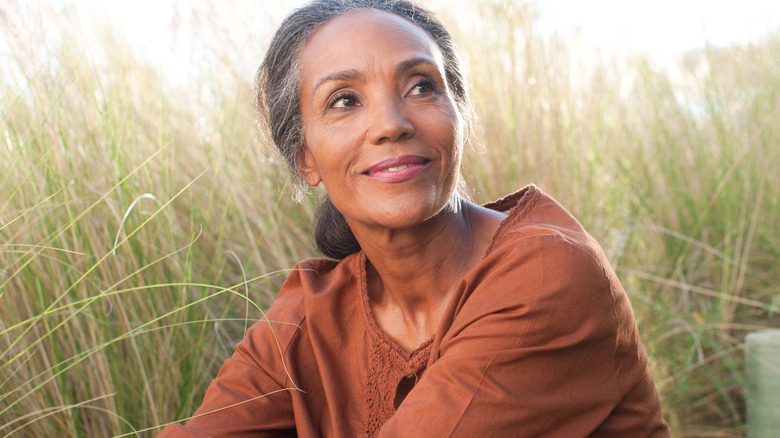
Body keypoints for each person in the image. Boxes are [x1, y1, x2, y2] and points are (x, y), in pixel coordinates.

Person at [158, 0, 670, 436]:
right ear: (305, 159)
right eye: (344, 100)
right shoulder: (311, 318)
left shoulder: (544, 275)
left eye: (421, 86)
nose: (390, 124)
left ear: (459, 117)